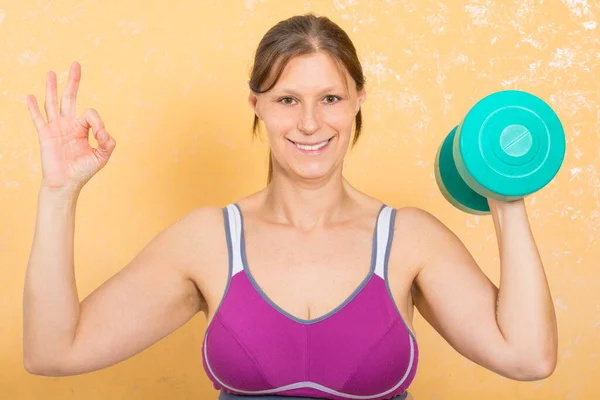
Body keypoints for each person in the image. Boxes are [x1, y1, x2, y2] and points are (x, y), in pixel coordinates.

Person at [22, 13, 557, 400]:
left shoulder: (410, 239)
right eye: (286, 100)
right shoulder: (208, 240)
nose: (308, 124)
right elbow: (53, 353)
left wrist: (504, 196)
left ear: (357, 101)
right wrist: (58, 194)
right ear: (255, 103)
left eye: (330, 98)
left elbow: (529, 358)